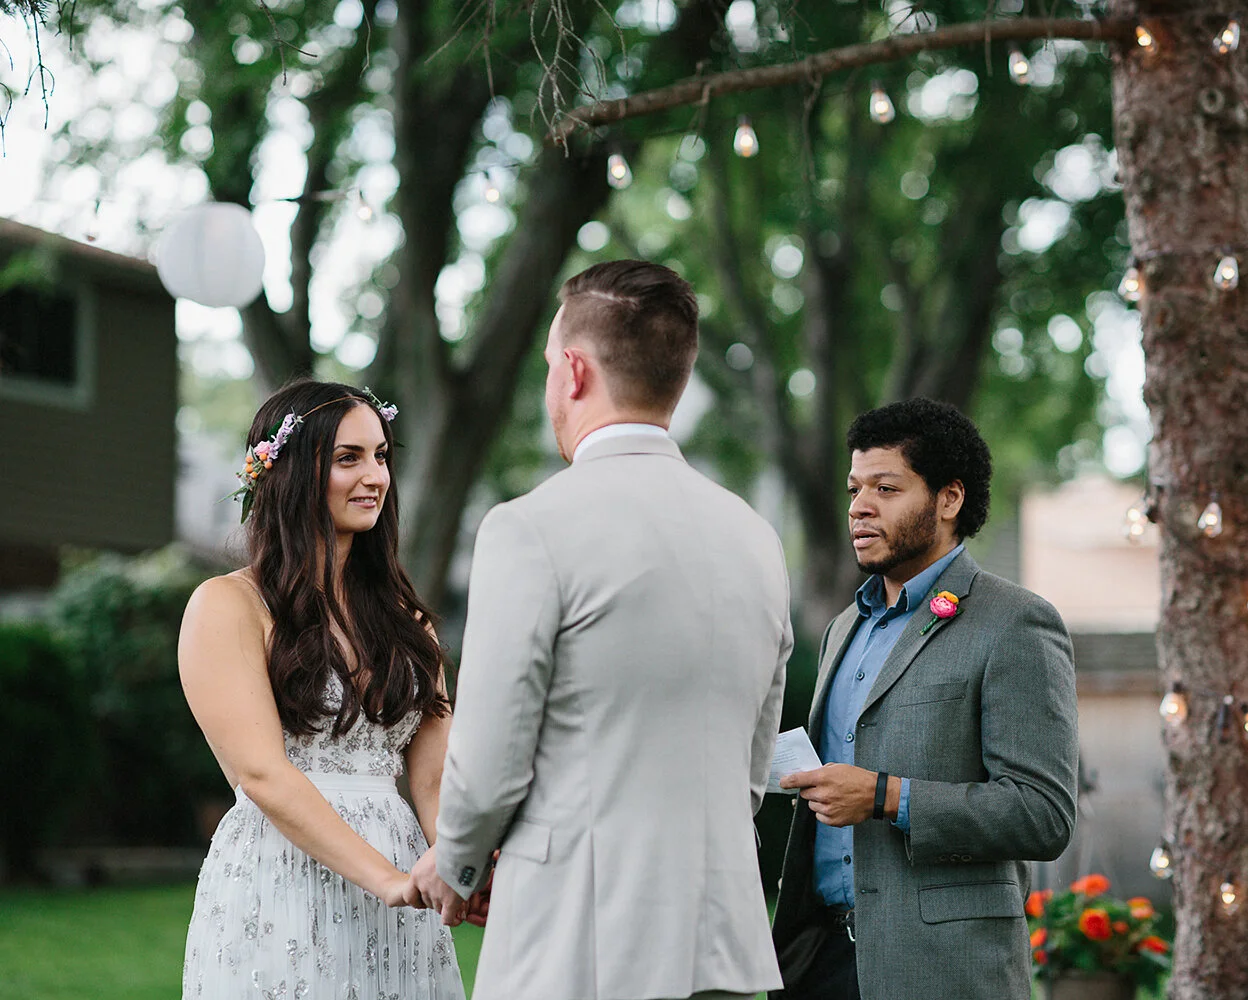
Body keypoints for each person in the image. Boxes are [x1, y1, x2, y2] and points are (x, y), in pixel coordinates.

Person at [409, 260, 792, 1000]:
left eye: (550, 364)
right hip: (721, 938)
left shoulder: (530, 528)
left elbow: (490, 759)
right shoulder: (755, 538)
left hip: (581, 939)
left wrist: (456, 862)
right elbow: (751, 766)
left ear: (576, 371)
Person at [771, 398, 1079, 1000]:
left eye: (886, 488)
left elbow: (1043, 814)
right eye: (855, 489)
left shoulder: (1016, 622)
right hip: (817, 961)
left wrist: (886, 796)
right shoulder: (842, 629)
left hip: (940, 971)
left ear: (949, 498)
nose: (859, 506)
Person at [178, 379, 465, 1000]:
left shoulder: (408, 622)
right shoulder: (228, 605)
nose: (375, 477)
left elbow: (435, 775)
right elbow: (262, 775)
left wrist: (450, 862)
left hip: (402, 885)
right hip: (281, 875)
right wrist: (387, 881)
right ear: (288, 473)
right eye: (347, 458)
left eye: (380, 456)